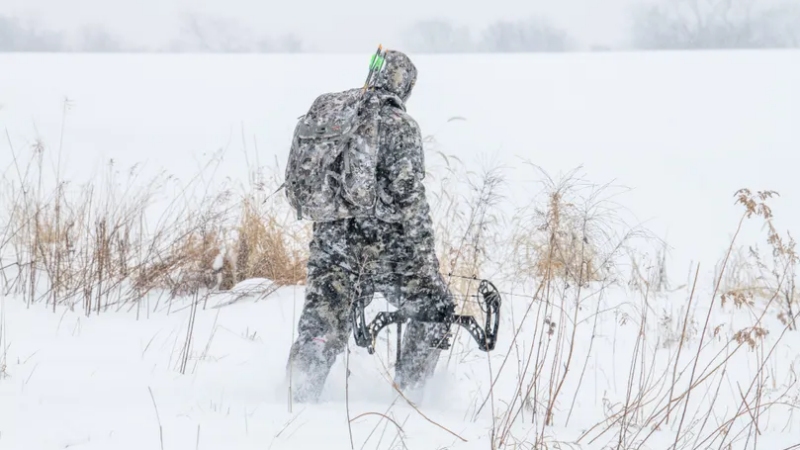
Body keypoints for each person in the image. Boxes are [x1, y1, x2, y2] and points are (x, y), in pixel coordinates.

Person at [285, 49, 456, 403]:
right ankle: (411, 395)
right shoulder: (401, 126)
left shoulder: (340, 115)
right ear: (404, 85)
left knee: (322, 322)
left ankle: (296, 397)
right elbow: (409, 200)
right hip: (388, 250)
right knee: (434, 304)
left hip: (331, 244)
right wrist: (426, 263)